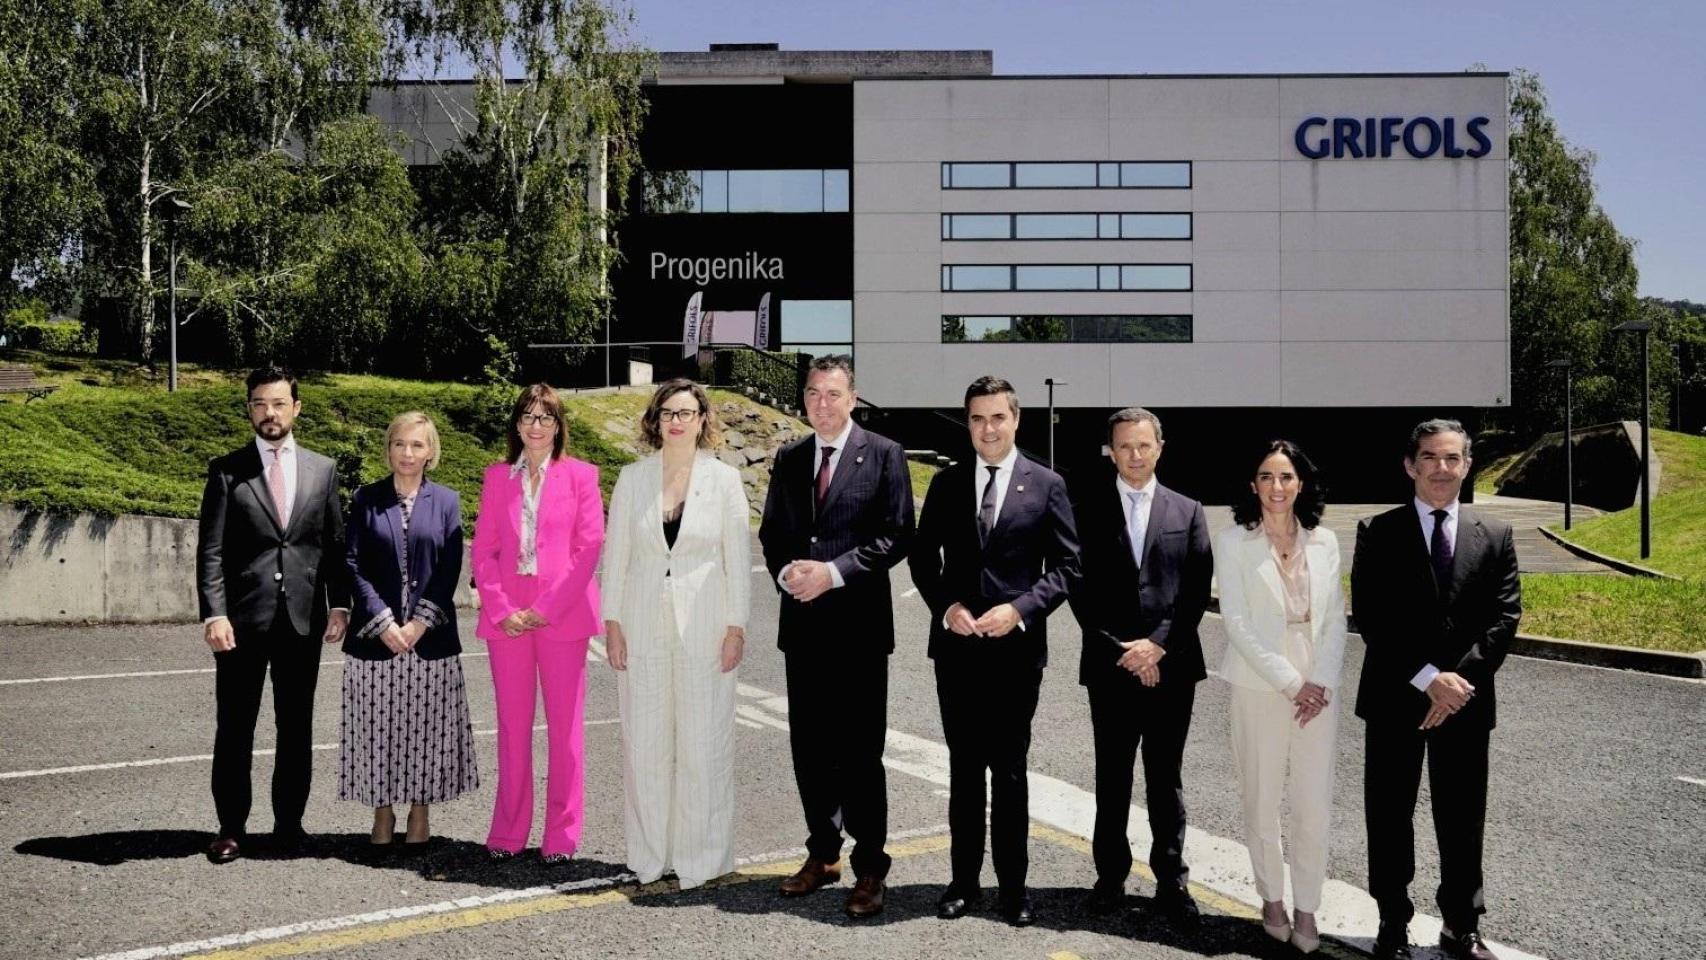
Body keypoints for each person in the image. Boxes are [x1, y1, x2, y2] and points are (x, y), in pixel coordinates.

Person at [910, 376, 1079, 927]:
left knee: (1009, 772)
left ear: (1016, 419)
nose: (988, 428)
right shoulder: (947, 483)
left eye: (998, 417)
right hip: (958, 650)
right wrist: (947, 607)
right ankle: (963, 882)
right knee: (963, 770)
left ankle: (1013, 887)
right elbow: (922, 559)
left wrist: (1021, 609)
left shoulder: (1047, 484)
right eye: (977, 418)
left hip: (1015, 654)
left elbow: (1068, 567)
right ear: (968, 423)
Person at [1352, 418, 1520, 960]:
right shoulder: (1377, 531)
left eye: (1452, 458)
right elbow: (1373, 617)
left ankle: (1461, 926)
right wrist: (1429, 679)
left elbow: (1505, 616)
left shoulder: (1496, 534)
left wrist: (1456, 683)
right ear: (1410, 465)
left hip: (1466, 701)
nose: (1441, 468)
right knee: (1389, 815)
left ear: (1467, 465)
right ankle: (1392, 923)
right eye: (1429, 457)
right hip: (1395, 697)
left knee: (1463, 817)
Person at [758, 355, 914, 918]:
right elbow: (773, 532)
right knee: (811, 749)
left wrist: (833, 572)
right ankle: (823, 854)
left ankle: (871, 867)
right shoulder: (791, 457)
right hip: (803, 627)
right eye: (813, 393)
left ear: (852, 398)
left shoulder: (886, 454)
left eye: (833, 393)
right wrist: (786, 573)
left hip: (859, 631)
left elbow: (897, 535)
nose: (821, 404)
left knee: (861, 754)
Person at [196, 366, 351, 863]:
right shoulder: (226, 471)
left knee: (296, 727)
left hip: (302, 621)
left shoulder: (323, 470)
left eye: (279, 403)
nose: (270, 413)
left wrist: (340, 604)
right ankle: (230, 828)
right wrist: (214, 614)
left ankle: (289, 826)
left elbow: (333, 545)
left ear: (296, 408)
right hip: (241, 624)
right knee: (235, 727)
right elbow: (211, 551)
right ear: (249, 409)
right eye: (260, 403)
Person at [602, 379, 751, 889]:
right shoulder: (633, 478)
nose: (677, 422)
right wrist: (612, 623)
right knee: (644, 746)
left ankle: (703, 859)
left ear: (702, 419)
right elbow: (616, 556)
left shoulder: (724, 480)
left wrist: (736, 627)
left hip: (707, 628)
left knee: (703, 746)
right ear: (656, 419)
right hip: (641, 626)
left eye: (686, 413)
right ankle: (649, 857)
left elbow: (737, 558)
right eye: (668, 413)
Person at [1065, 407, 1211, 926]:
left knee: (1165, 779)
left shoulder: (1188, 510)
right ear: (1111, 450)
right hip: (1111, 667)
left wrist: (1158, 646)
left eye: (1144, 445)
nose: (1135, 455)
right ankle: (1110, 877)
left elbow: (1196, 590)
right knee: (1113, 777)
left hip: (1172, 666)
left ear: (1160, 448)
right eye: (1124, 446)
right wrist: (1125, 651)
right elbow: (1077, 588)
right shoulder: (1083, 510)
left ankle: (1172, 880)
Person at [1213, 440, 1347, 954]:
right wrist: (1293, 684)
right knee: (1262, 797)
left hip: (1319, 684)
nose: (1276, 486)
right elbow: (1237, 622)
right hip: (1259, 681)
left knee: (1313, 802)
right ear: (1253, 485)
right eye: (1267, 476)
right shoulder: (1233, 542)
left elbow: (1335, 618)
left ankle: (1308, 907)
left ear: (1301, 483)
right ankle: (1271, 898)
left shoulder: (1325, 541)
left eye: (1286, 476)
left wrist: (1321, 682)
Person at [472, 383, 605, 862]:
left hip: (561, 614)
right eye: (528, 416)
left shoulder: (581, 476)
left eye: (545, 417)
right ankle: (509, 831)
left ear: (558, 425)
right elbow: (483, 550)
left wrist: (544, 609)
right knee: (512, 728)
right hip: (506, 616)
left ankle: (562, 835)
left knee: (565, 730)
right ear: (516, 424)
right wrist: (502, 608)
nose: (536, 425)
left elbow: (588, 547)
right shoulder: (496, 477)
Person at [339, 411, 479, 848]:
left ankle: (420, 812)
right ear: (389, 449)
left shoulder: (447, 501)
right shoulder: (366, 498)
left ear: (430, 451)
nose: (407, 453)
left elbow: (450, 566)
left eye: (417, 444)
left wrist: (419, 622)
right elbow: (352, 564)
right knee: (377, 730)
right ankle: (382, 813)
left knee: (427, 733)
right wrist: (383, 622)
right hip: (375, 638)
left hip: (429, 638)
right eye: (399, 443)